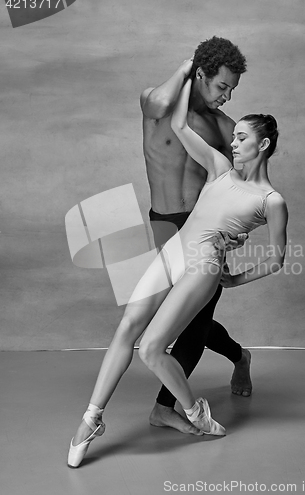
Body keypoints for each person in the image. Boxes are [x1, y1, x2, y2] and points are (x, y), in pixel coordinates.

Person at [67, 75, 288, 468]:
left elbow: (276, 259)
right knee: (127, 327)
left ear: (263, 145)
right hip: (173, 251)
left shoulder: (271, 200)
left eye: (240, 138)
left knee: (152, 348)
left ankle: (193, 409)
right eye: (233, 137)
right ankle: (91, 419)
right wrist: (191, 71)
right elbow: (179, 124)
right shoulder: (219, 166)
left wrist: (235, 279)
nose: (232, 144)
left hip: (203, 267)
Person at [141, 36, 252, 437]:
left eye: (232, 90)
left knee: (196, 321)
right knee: (172, 319)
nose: (226, 97)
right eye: (221, 86)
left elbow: (240, 183)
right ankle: (240, 355)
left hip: (203, 228)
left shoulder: (224, 127)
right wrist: (186, 66)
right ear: (199, 74)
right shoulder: (159, 104)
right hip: (164, 223)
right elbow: (156, 103)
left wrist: (236, 229)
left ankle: (165, 409)